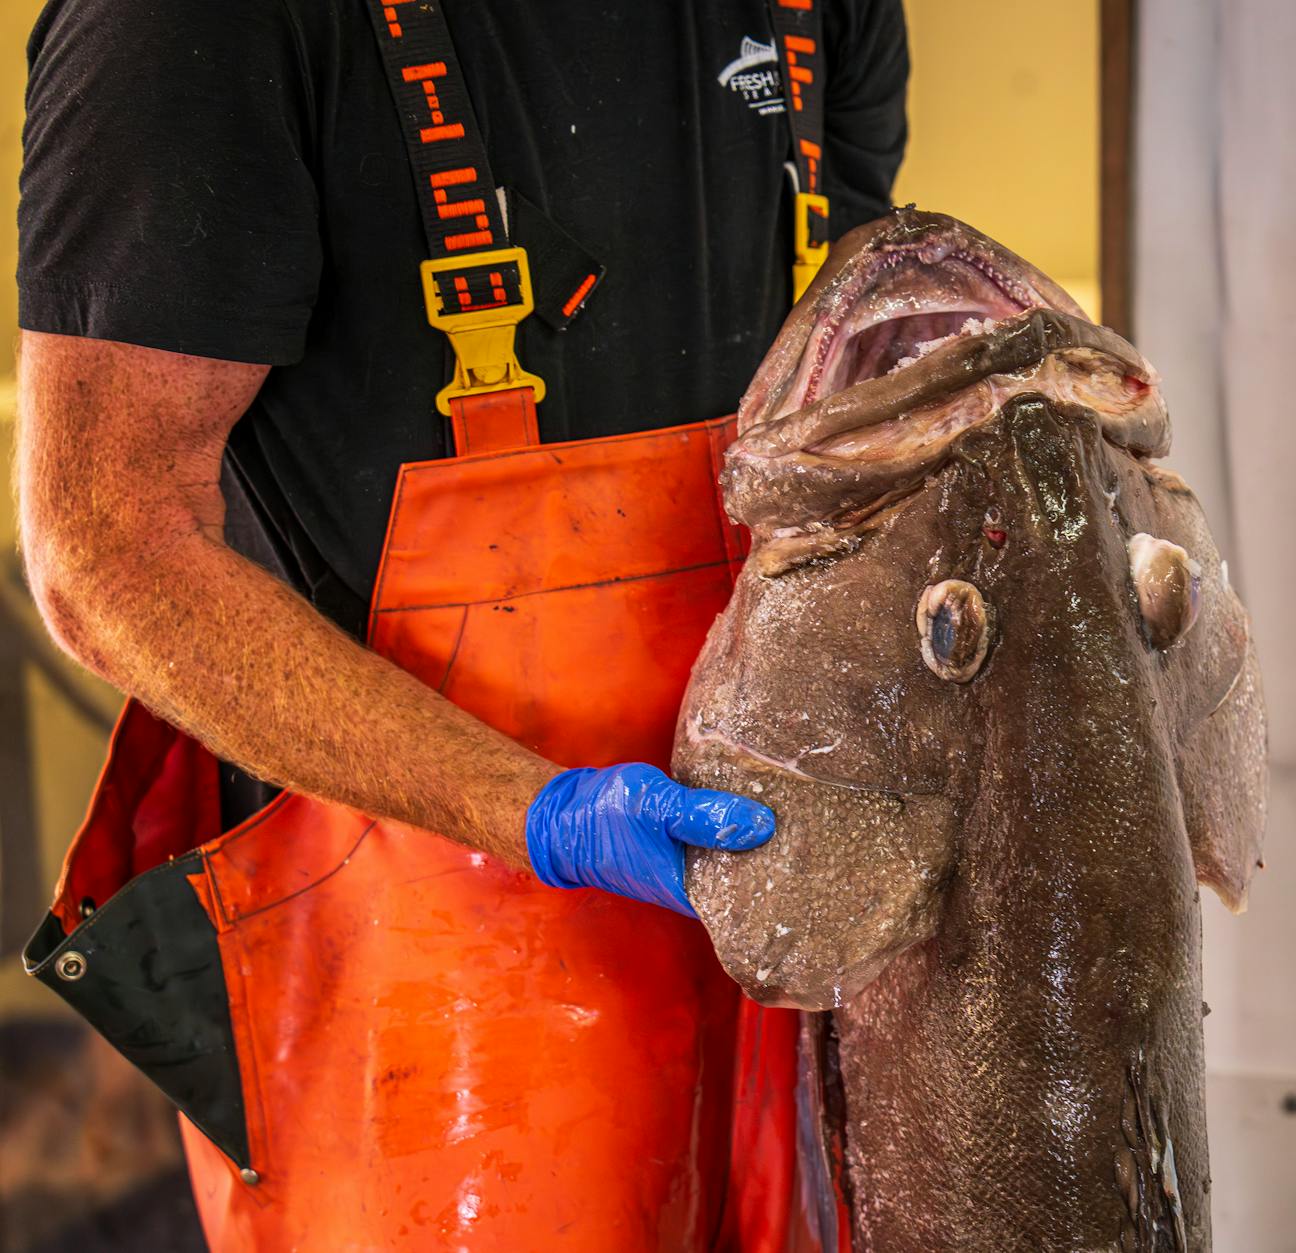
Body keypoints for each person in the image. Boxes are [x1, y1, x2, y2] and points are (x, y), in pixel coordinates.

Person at [13, 0, 907, 1248]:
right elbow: (110, 551)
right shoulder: (190, 30)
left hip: (774, 906)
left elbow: (840, 392)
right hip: (418, 967)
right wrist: (535, 814)